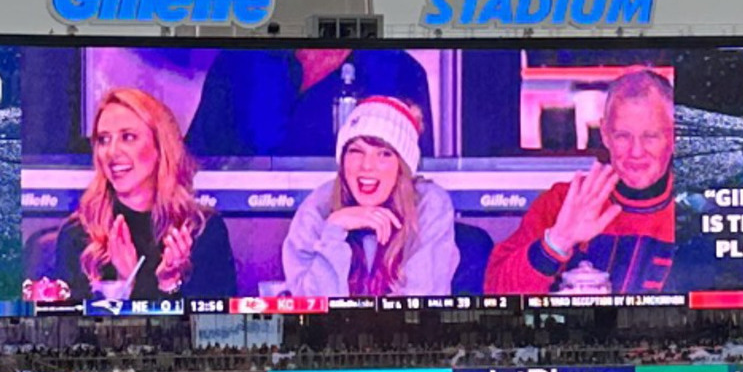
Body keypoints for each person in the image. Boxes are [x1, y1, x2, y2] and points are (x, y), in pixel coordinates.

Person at [484, 69, 676, 295]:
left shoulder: (700, 212)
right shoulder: (563, 202)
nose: (636, 152)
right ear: (605, 134)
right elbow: (495, 293)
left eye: (650, 136)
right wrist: (557, 241)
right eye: (622, 136)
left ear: (675, 136)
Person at [55, 88, 237, 300]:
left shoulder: (201, 231)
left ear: (160, 147)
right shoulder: (79, 234)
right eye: (103, 139)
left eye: (128, 137)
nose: (112, 152)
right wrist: (125, 283)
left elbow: (217, 327)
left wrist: (168, 284)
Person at [281, 96, 459, 297]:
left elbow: (420, 307)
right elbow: (308, 311)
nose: (366, 166)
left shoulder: (428, 203)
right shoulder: (318, 206)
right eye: (356, 151)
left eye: (384, 154)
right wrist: (334, 229)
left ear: (403, 167)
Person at [185, 48, 435, 160]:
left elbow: (414, 185)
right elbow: (192, 164)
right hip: (242, 236)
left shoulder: (400, 72)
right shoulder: (239, 61)